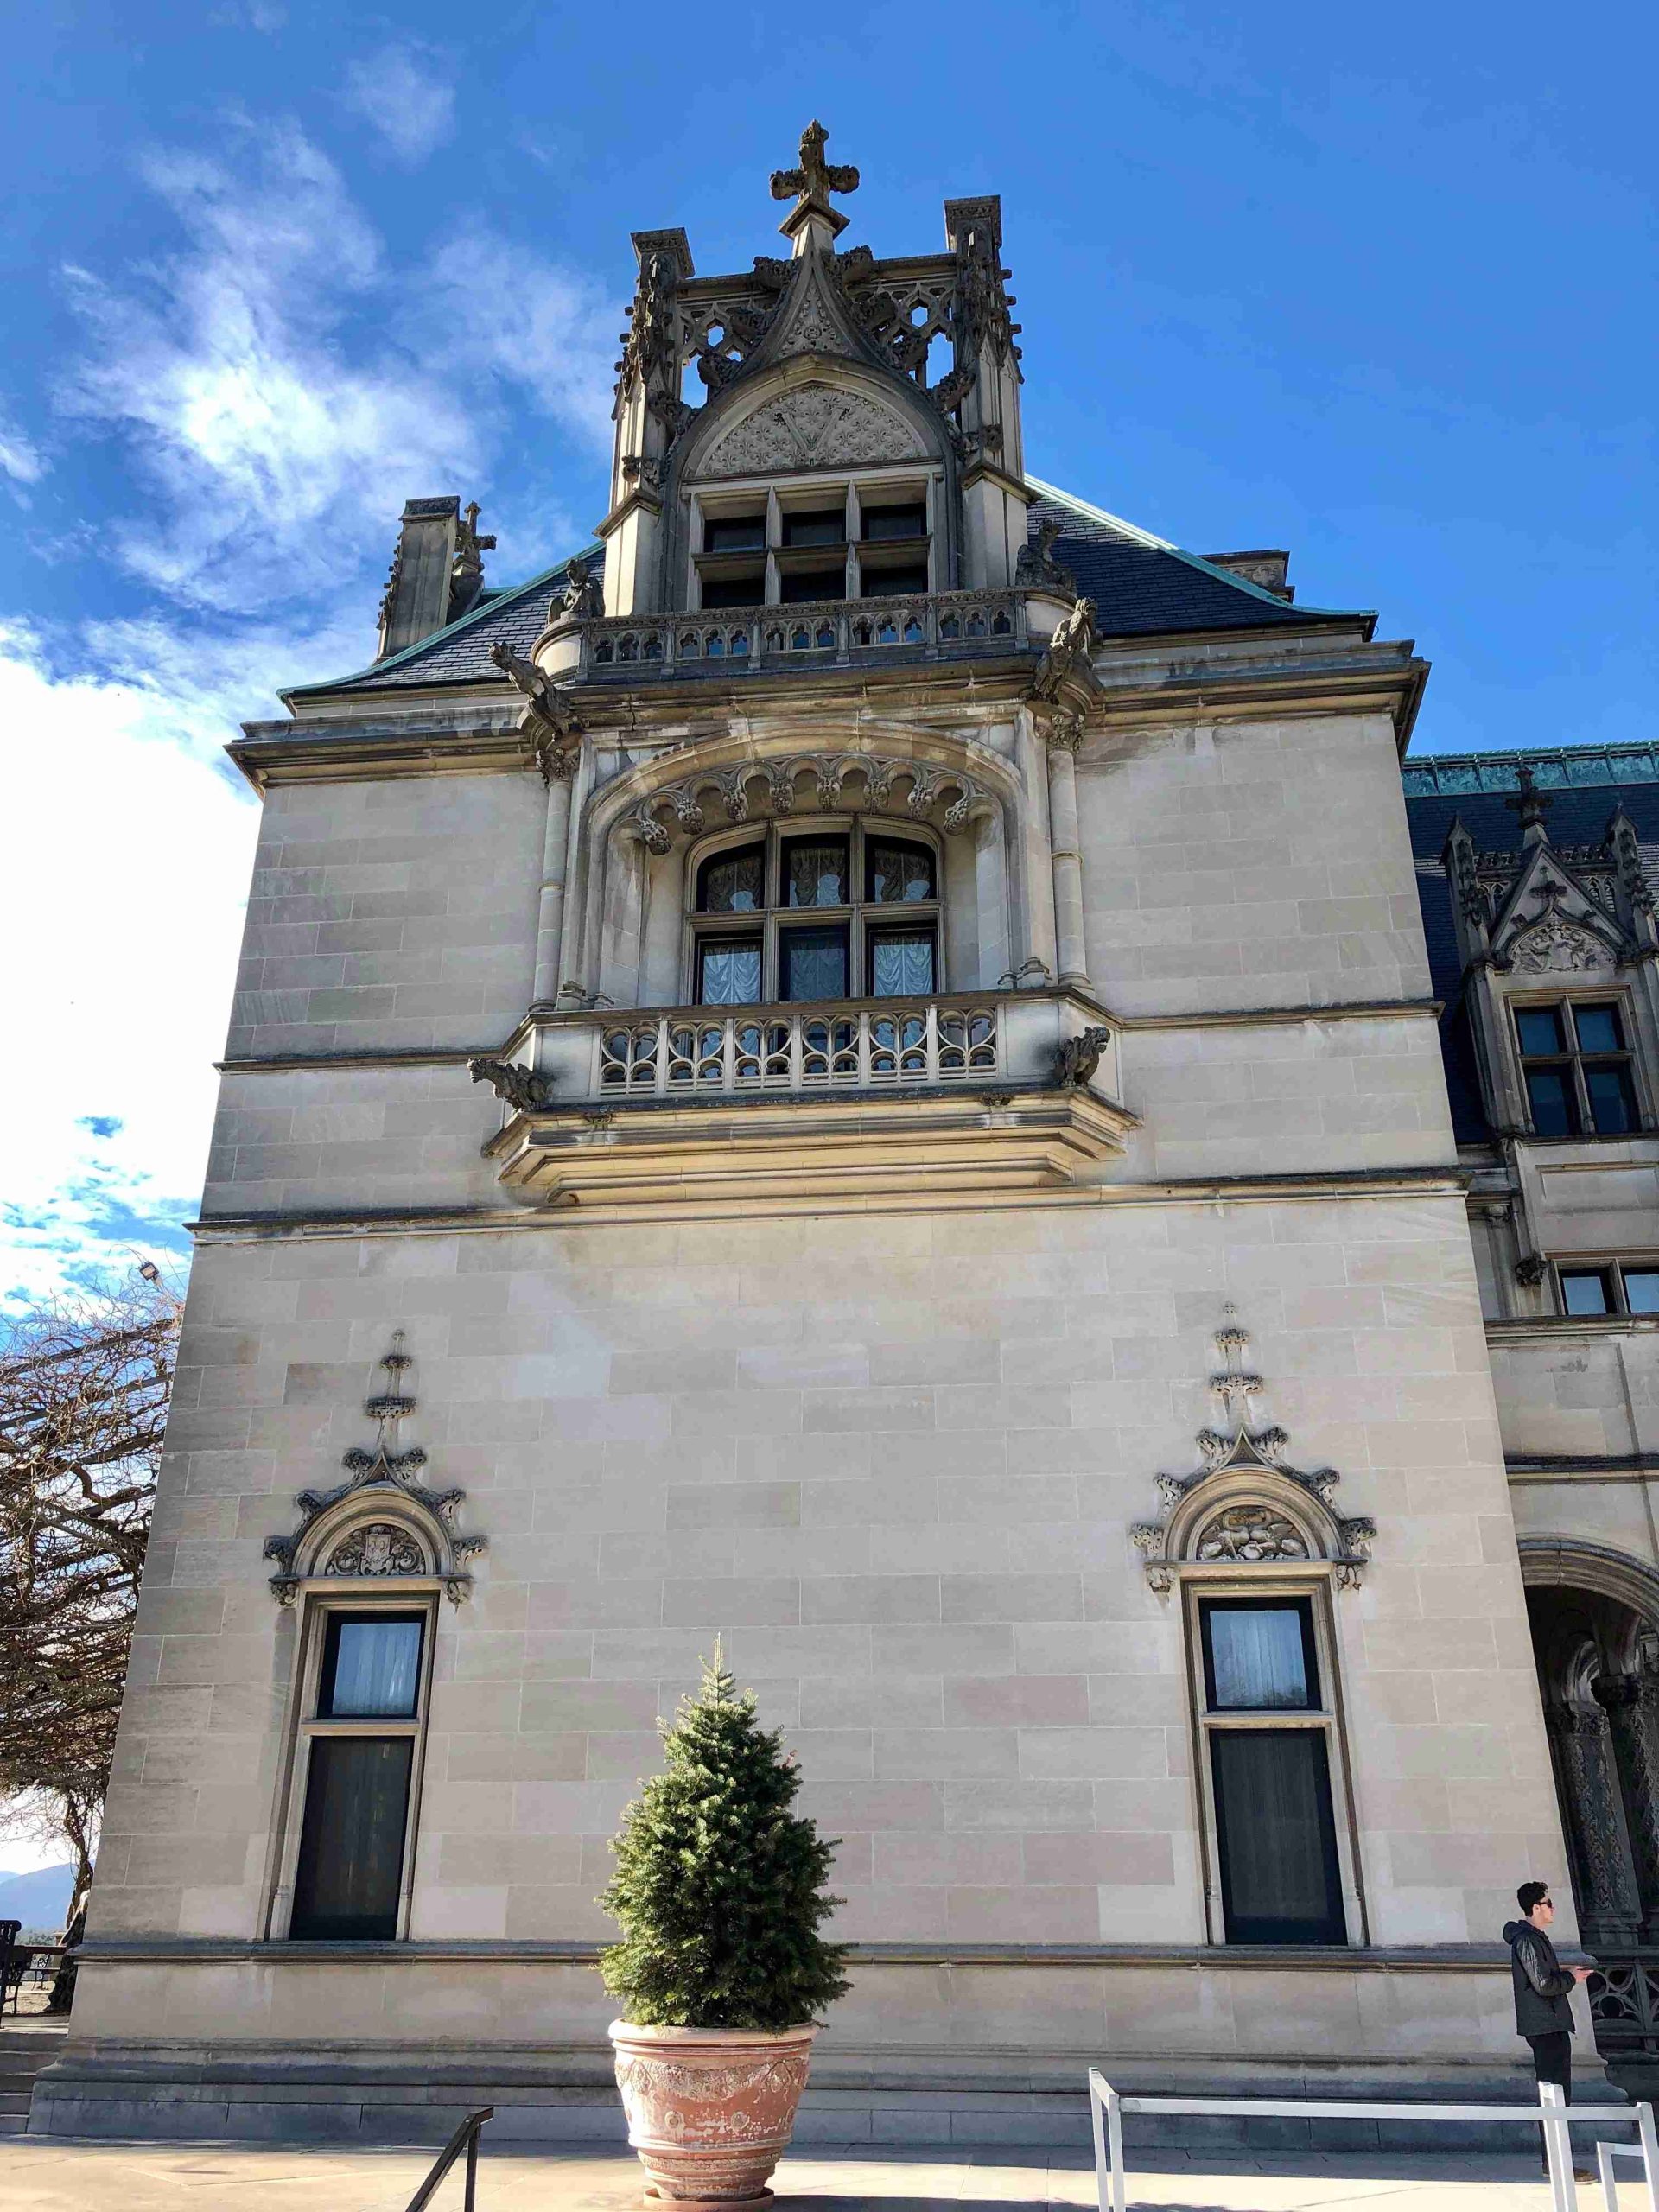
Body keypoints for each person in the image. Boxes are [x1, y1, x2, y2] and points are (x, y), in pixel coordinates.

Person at [1503, 1881, 1592, 2175]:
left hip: (1548, 2024)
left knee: (1557, 2093)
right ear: (1536, 1908)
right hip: (1545, 2026)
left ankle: (1556, 2162)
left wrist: (1565, 1975)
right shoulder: (1527, 1940)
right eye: (1548, 1902)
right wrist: (1571, 1979)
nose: (1553, 1907)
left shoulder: (1534, 1938)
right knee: (1555, 2094)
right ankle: (1555, 2163)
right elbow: (1543, 1984)